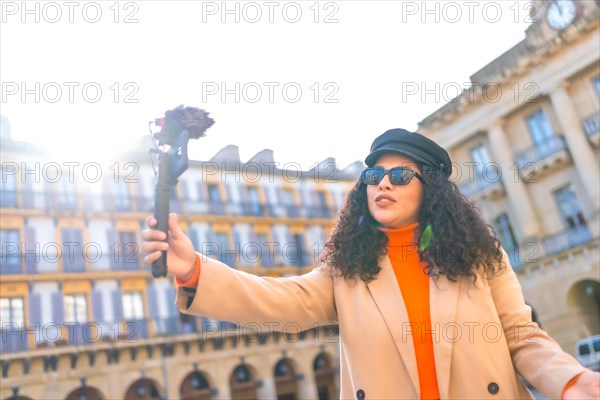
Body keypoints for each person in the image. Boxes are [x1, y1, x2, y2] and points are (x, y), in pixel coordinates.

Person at [141, 128, 600, 399]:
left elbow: (521, 335)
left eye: (400, 175)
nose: (383, 183)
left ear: (430, 189)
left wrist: (571, 380)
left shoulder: (480, 257)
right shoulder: (349, 268)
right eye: (373, 175)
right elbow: (281, 301)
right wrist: (195, 268)